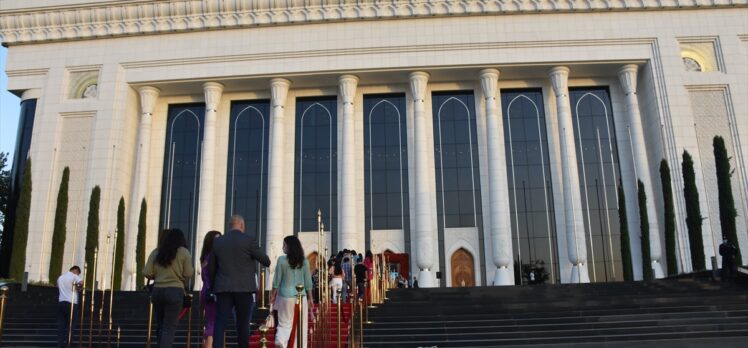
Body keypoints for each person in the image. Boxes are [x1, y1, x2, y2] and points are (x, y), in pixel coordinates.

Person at [209, 215, 270, 348]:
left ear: (229, 226)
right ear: (242, 225)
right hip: (244, 289)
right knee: (242, 324)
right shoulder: (248, 240)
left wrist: (214, 286)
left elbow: (211, 268)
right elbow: (266, 261)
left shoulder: (218, 242)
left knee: (220, 323)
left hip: (223, 289)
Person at [143, 228, 194, 348]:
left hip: (157, 291)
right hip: (174, 291)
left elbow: (146, 272)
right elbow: (188, 273)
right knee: (168, 328)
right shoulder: (183, 252)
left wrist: (157, 275)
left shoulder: (156, 252)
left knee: (161, 326)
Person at [270, 236, 314, 348]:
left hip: (285, 296)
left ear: (290, 246)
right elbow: (308, 282)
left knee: (284, 323)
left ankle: (281, 341)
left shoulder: (281, 260)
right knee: (301, 325)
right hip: (301, 296)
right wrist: (310, 298)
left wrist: (273, 295)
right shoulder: (304, 262)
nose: (282, 247)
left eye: (284, 245)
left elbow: (276, 281)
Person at [199, 230, 221, 348]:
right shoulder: (214, 257)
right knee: (213, 325)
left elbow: (203, 277)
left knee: (210, 324)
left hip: (206, 292)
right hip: (213, 293)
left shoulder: (205, 257)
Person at [57, 265, 82, 348]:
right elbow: (81, 283)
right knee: (71, 325)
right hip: (71, 303)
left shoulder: (60, 277)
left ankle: (60, 344)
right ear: (75, 271)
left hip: (61, 302)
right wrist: (78, 288)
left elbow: (58, 287)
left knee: (61, 325)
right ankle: (68, 344)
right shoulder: (74, 276)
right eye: (78, 273)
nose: (78, 275)